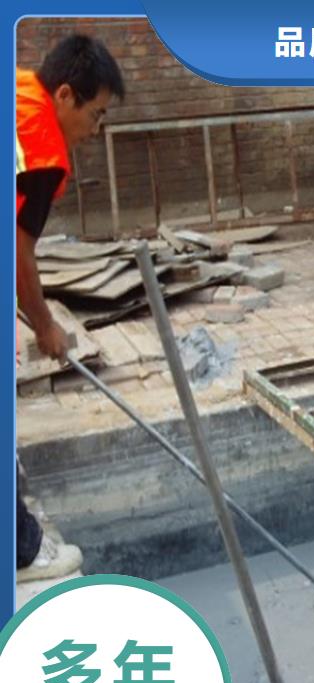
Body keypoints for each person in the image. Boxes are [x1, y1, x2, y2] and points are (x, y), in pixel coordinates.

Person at [16, 34, 125, 577]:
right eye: (95, 114)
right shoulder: (39, 148)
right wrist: (45, 326)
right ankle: (24, 552)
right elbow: (15, 252)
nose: (95, 129)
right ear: (64, 95)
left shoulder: (17, 92)